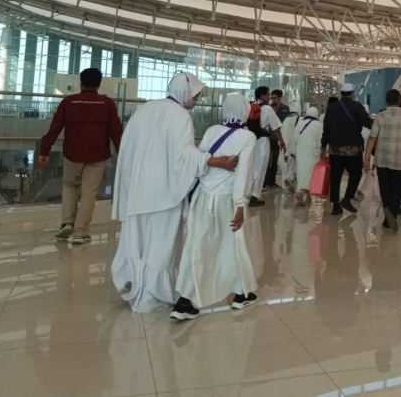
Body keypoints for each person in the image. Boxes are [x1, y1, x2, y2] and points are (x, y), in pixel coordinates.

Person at [111, 72, 238, 313]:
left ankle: (134, 285)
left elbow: (128, 147)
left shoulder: (146, 109)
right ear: (184, 92)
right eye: (196, 95)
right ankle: (152, 293)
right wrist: (215, 161)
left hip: (138, 189)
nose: (197, 99)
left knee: (137, 240)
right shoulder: (180, 116)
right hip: (163, 191)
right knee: (160, 243)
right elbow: (184, 157)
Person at [171, 93, 258, 320]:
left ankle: (185, 300)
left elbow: (200, 162)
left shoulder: (211, 131)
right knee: (233, 243)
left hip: (202, 196)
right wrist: (241, 205)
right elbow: (243, 174)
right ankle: (240, 294)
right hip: (226, 199)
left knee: (196, 244)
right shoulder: (248, 137)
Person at [39, 68, 122, 245]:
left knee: (69, 186)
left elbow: (54, 128)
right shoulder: (106, 104)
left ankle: (66, 223)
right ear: (99, 84)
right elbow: (116, 132)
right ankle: (80, 231)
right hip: (98, 155)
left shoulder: (69, 102)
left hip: (72, 154)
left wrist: (44, 151)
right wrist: (122, 153)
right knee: (88, 193)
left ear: (80, 82)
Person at [364, 89, 401, 232]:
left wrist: (366, 158)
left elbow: (372, 139)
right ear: (399, 100)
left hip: (381, 159)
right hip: (400, 159)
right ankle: (391, 214)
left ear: (386, 101)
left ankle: (388, 210)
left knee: (385, 189)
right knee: (398, 189)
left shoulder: (380, 116)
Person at [321, 83, 370, 215]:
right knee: (356, 174)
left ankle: (336, 205)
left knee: (335, 177)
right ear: (352, 93)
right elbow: (368, 123)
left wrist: (322, 147)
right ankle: (347, 198)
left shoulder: (332, 108)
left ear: (341, 93)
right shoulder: (357, 107)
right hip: (353, 150)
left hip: (335, 149)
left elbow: (326, 128)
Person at [247, 86, 285, 207]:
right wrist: (282, 141)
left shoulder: (250, 105)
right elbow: (276, 127)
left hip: (251, 141)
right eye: (268, 95)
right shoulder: (267, 108)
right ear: (263, 96)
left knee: (252, 167)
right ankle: (254, 196)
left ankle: (248, 192)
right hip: (262, 141)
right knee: (261, 168)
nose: (269, 97)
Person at [295, 106, 323, 205]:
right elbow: (320, 140)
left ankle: (300, 191)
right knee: (310, 173)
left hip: (300, 151)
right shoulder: (318, 125)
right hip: (312, 152)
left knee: (300, 172)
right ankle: (304, 192)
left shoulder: (300, 123)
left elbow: (295, 137)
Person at [265, 89, 290, 188]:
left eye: (274, 98)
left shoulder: (285, 108)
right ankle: (265, 181)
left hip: (279, 137)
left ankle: (272, 181)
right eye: (271, 98)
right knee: (267, 160)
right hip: (268, 137)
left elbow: (286, 123)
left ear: (280, 98)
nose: (272, 100)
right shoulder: (268, 108)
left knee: (275, 160)